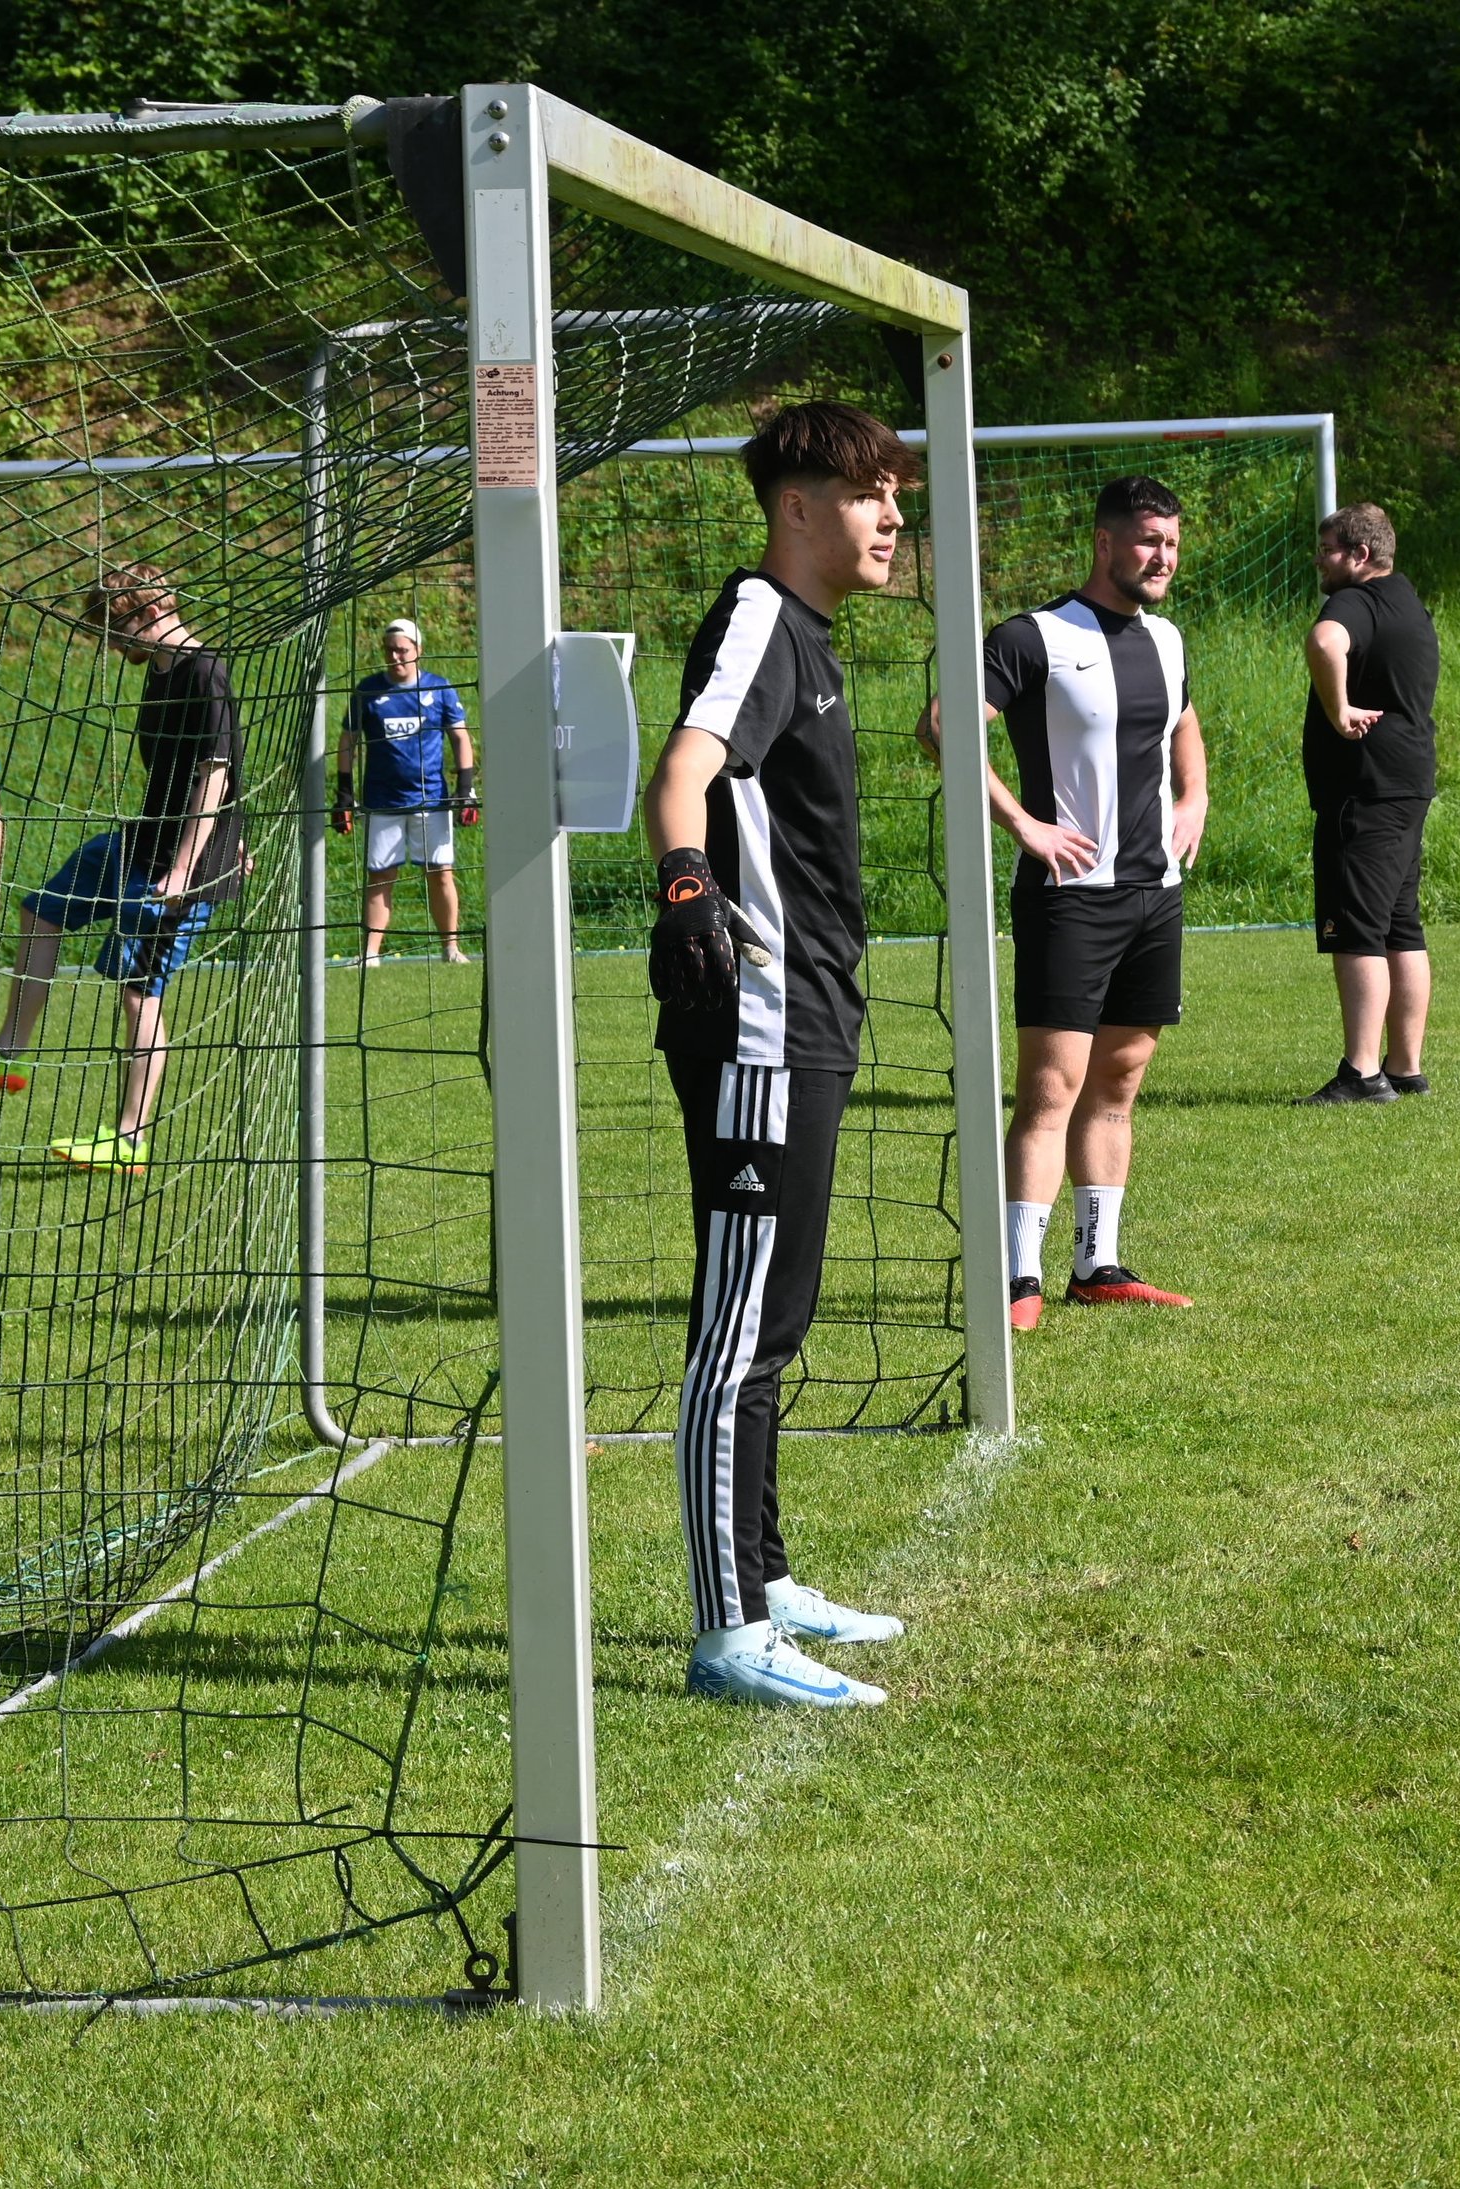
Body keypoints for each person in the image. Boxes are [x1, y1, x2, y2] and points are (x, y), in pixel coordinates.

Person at [644, 399, 918, 1712]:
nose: (894, 518)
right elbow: (682, 767)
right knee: (740, 1333)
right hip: (758, 1022)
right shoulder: (758, 613)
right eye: (871, 494)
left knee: (779, 1319)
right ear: (799, 506)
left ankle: (766, 1575)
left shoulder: (808, 635)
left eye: (897, 495)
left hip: (810, 1017)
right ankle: (727, 1633)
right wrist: (685, 882)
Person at [920, 474, 1207, 1331]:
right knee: (1052, 1087)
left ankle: (1096, 1264)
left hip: (1155, 894)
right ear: (1105, 542)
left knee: (1120, 1079)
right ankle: (1016, 1278)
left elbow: (1183, 721)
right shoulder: (1032, 637)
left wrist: (1194, 797)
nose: (1162, 557)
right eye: (1148, 540)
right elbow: (942, 724)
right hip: (1069, 897)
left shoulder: (1167, 638)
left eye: (1172, 543)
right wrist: (1022, 823)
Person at [0, 564, 245, 1176]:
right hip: (141, 842)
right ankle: (6, 1054)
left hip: (176, 867)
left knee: (138, 993)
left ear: (150, 612)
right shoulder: (161, 672)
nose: (110, 645)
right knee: (41, 909)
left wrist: (188, 868)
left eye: (114, 630)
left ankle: (129, 1139)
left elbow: (215, 774)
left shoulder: (204, 672)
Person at [1298, 502, 1440, 1104]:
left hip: (1365, 789)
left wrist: (1338, 710)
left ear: (1360, 555)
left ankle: (1361, 1074)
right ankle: (1404, 1067)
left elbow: (1323, 642)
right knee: (1399, 927)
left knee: (1357, 928)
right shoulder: (1407, 600)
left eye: (1327, 550)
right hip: (1407, 782)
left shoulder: (1355, 602)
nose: (1319, 561)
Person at [334, 617, 478, 965]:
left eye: (402, 650)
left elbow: (460, 737)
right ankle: (370, 954)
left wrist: (465, 788)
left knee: (440, 873)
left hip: (431, 800)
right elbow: (347, 741)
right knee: (380, 876)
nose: (395, 656)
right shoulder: (368, 691)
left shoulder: (439, 688)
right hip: (383, 801)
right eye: (389, 650)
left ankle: (451, 949)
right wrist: (344, 794)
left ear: (418, 650)